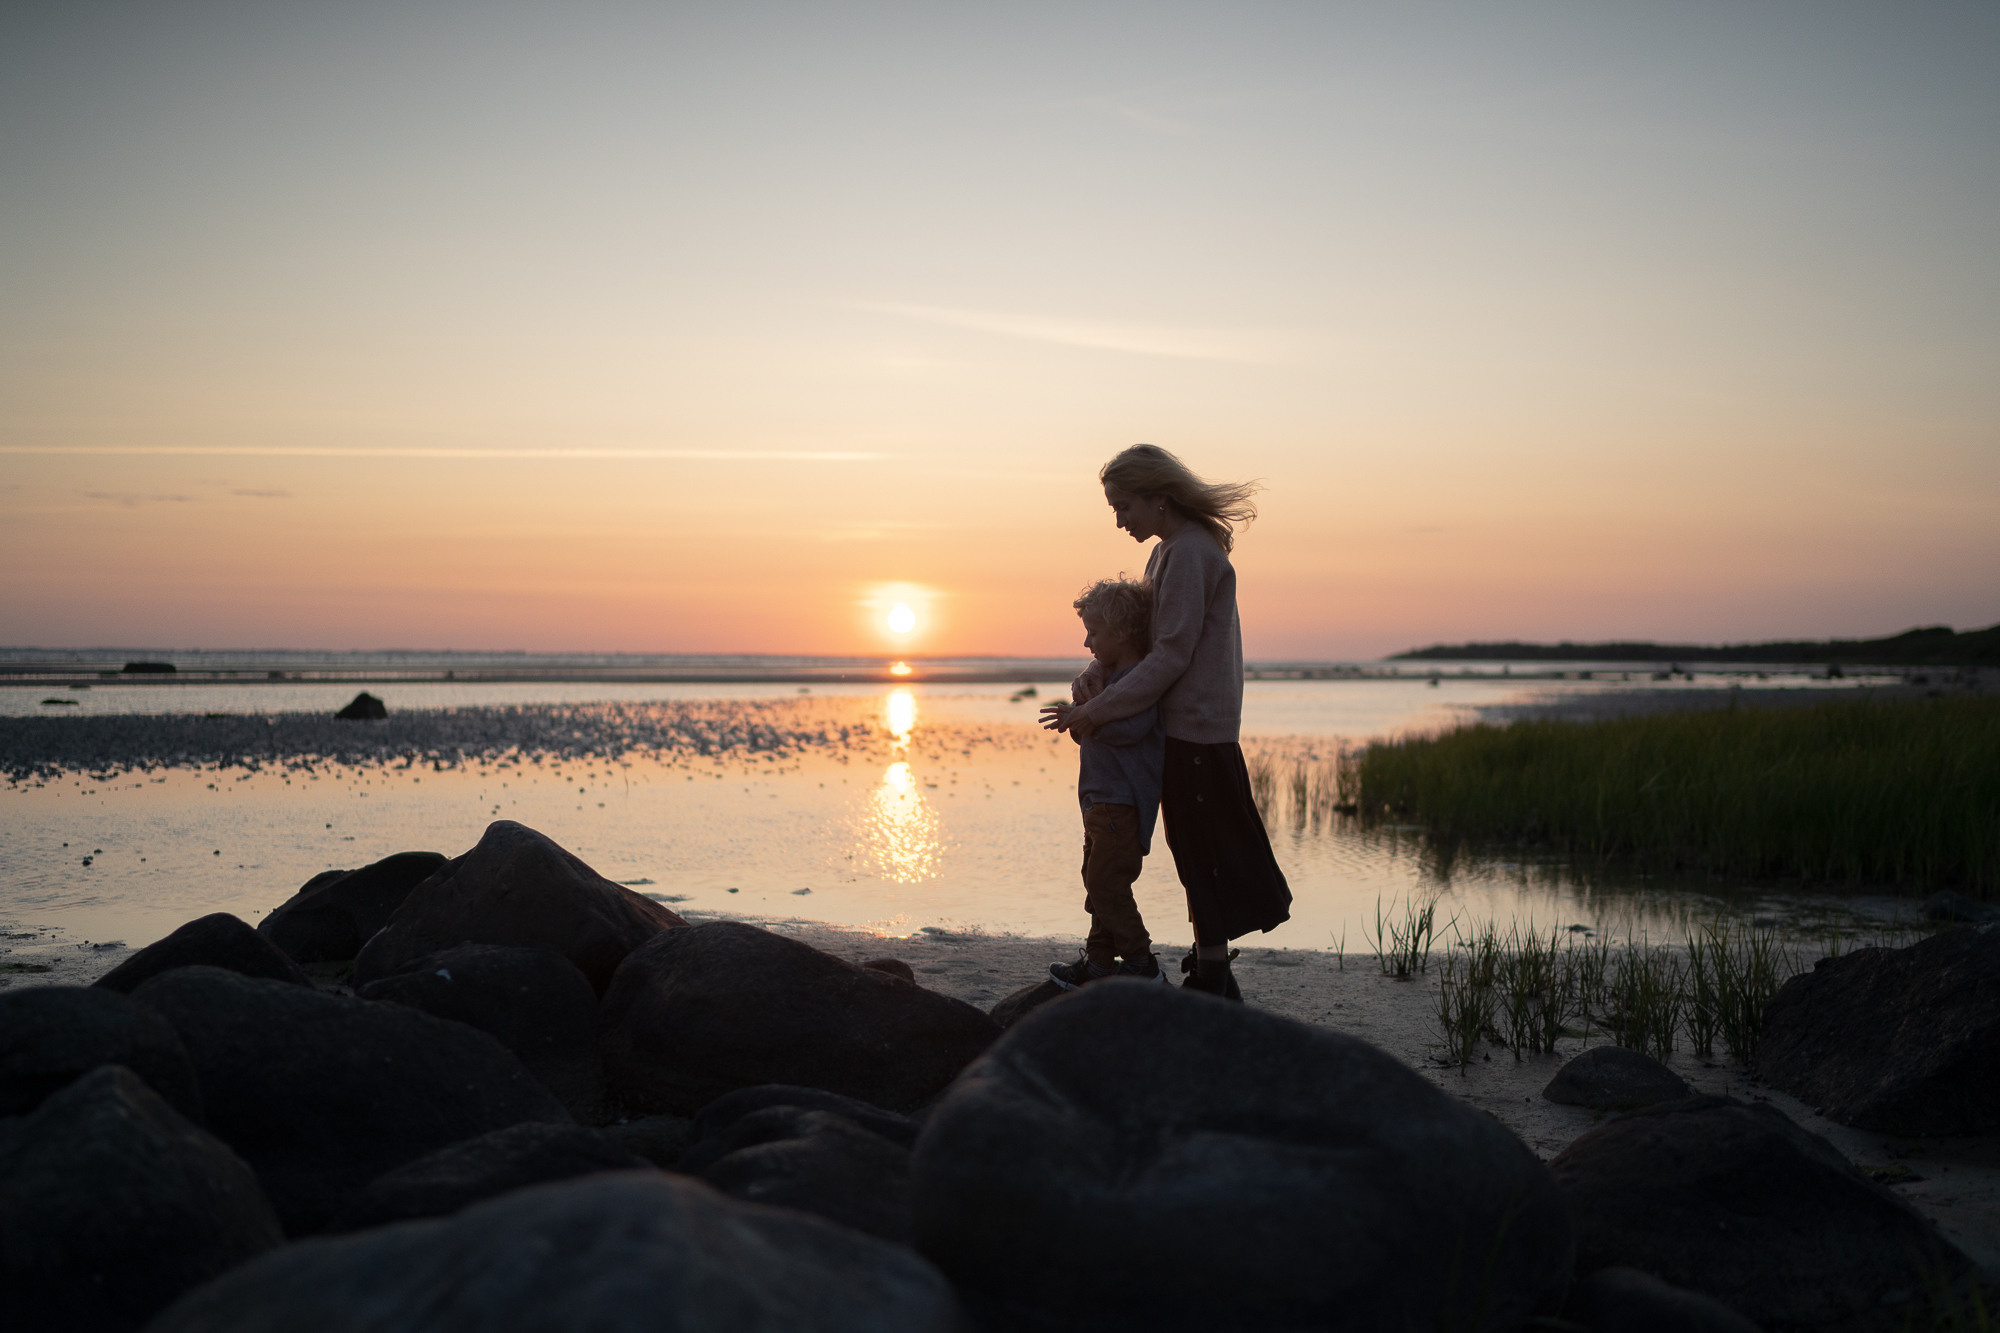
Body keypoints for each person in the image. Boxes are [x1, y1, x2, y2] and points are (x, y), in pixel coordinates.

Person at [1041, 444, 1291, 1000]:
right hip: (1176, 726)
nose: (1119, 520)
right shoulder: (1167, 553)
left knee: (1206, 851)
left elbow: (1171, 654)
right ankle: (1185, 966)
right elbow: (1139, 638)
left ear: (1159, 497)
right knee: (1189, 849)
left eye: (1124, 506)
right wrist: (1092, 675)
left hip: (1197, 728)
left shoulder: (1192, 553)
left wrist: (1092, 712)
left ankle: (1211, 974)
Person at [1043, 577, 1167, 988]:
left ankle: (1139, 960)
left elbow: (1128, 732)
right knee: (1095, 880)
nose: (1086, 644)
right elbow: (1089, 735)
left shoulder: (1136, 684)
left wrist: (1089, 713)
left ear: (1123, 632)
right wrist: (1077, 718)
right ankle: (1098, 962)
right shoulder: (1106, 679)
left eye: (1094, 633)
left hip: (1122, 805)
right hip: (1097, 804)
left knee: (1106, 882)